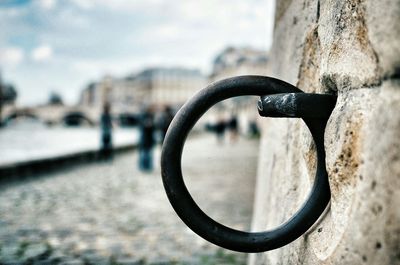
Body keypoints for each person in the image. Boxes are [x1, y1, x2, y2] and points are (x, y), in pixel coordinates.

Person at [138, 106, 156, 171]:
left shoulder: (150, 116)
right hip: (145, 138)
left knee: (147, 153)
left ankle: (147, 167)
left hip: (148, 138)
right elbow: (146, 126)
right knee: (145, 153)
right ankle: (144, 167)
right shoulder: (145, 117)